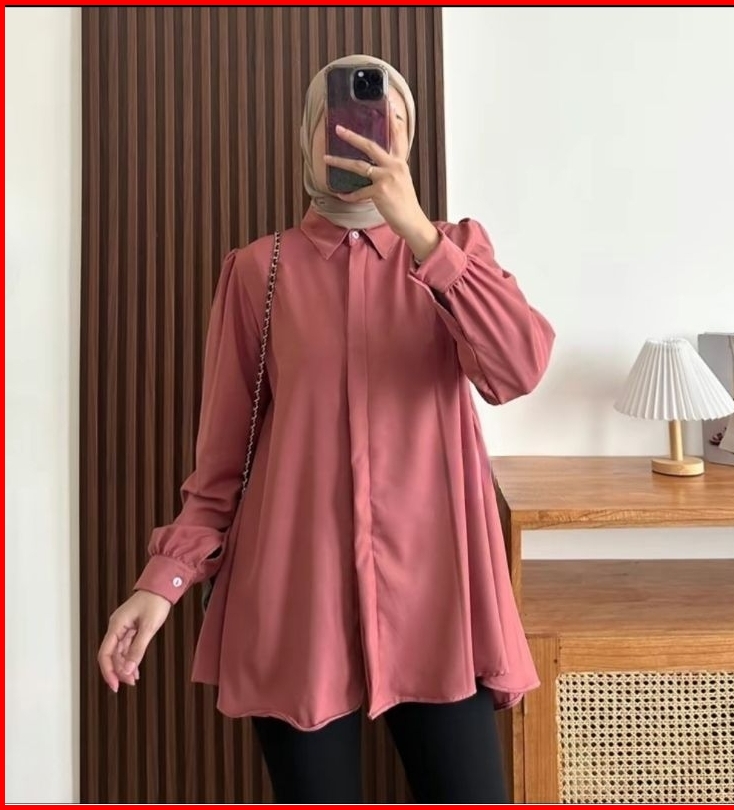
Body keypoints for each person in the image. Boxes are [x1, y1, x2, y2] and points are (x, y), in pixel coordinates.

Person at [98, 54, 555, 804]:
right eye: (338, 122)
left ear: (406, 140)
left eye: (387, 120)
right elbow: (222, 464)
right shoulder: (258, 271)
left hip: (438, 601)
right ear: (311, 135)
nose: (363, 135)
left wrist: (421, 236)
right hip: (295, 603)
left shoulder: (455, 251)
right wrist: (163, 582)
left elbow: (519, 368)